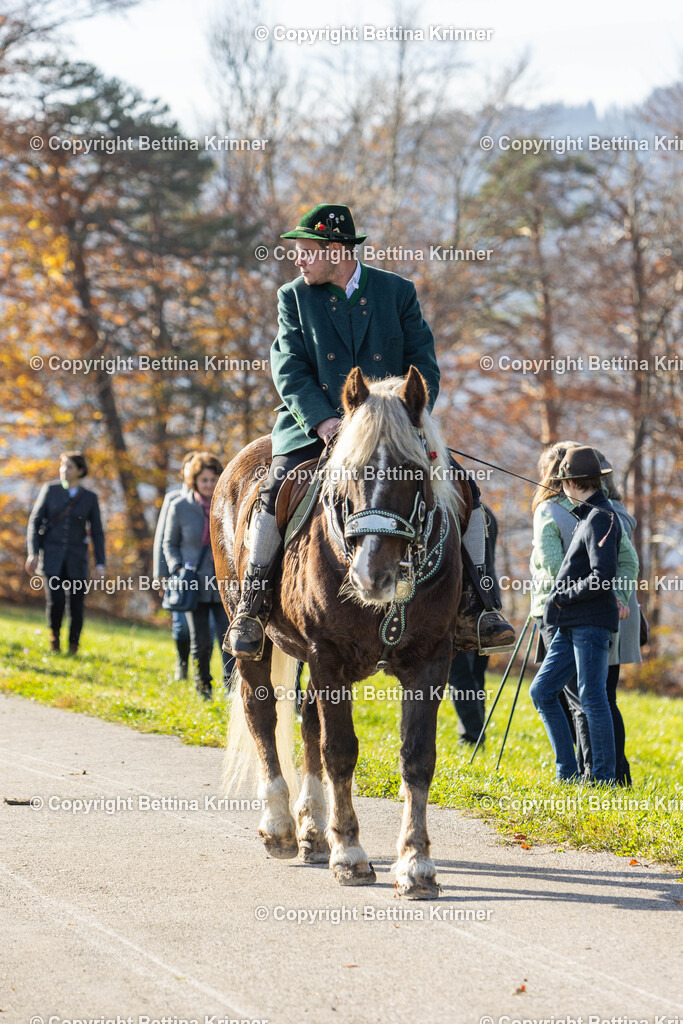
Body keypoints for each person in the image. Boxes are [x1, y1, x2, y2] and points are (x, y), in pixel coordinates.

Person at [226, 201, 515, 660]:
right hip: (315, 426)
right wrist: (323, 420)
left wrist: (409, 416)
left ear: (337, 250)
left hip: (393, 427)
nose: (298, 259)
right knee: (273, 491)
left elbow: (424, 361)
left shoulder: (397, 292)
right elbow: (289, 367)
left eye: (306, 250)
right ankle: (253, 607)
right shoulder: (294, 297)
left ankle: (479, 607)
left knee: (465, 492)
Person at [530, 443, 639, 784]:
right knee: (543, 691)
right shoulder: (589, 515)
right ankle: (568, 773)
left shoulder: (601, 518)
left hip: (590, 622)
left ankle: (603, 779)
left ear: (573, 483)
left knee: (593, 698)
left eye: (563, 483)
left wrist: (563, 597)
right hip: (569, 622)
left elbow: (602, 577)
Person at [163, 452, 234, 700]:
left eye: (214, 479)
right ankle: (203, 686)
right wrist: (178, 569)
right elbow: (169, 543)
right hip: (193, 585)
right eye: (204, 480)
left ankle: (231, 687)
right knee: (200, 641)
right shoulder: (180, 507)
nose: (209, 485)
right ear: (194, 480)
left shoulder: (227, 505)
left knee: (228, 640)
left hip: (223, 584)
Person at [25, 451, 105, 655]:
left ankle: (73, 645)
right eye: (62, 466)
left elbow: (97, 532)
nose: (64, 470)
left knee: (77, 605)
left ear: (80, 470)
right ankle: (54, 638)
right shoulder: (50, 490)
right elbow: (35, 522)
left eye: (69, 467)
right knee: (56, 600)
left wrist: (100, 564)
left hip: (77, 560)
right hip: (51, 557)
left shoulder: (90, 498)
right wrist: (33, 552)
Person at [449, 504, 500, 745]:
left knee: (460, 674)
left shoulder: (457, 511)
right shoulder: (486, 513)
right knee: (474, 673)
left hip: (463, 604)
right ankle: (475, 731)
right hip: (488, 600)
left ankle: (471, 735)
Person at [153, 451, 198, 681]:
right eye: (191, 468)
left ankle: (199, 669)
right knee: (181, 626)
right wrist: (161, 575)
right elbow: (163, 540)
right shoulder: (173, 500)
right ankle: (182, 665)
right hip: (178, 575)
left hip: (204, 579)